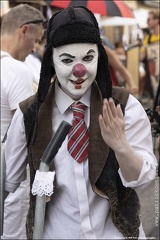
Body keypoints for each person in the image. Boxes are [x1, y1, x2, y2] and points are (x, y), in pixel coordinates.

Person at [4, 6, 157, 239]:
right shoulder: (28, 114)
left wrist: (121, 146)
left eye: (88, 57)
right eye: (67, 60)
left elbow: (144, 180)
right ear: (52, 60)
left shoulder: (124, 106)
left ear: (99, 55)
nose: (79, 70)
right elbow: (13, 187)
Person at [1, 4, 45, 239]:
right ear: (24, 30)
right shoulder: (15, 70)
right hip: (10, 179)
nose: (34, 48)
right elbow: (29, 130)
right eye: (36, 40)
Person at [140, 10, 160, 99]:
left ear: (157, 20)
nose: (147, 22)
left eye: (149, 19)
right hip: (153, 75)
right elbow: (141, 56)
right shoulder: (148, 38)